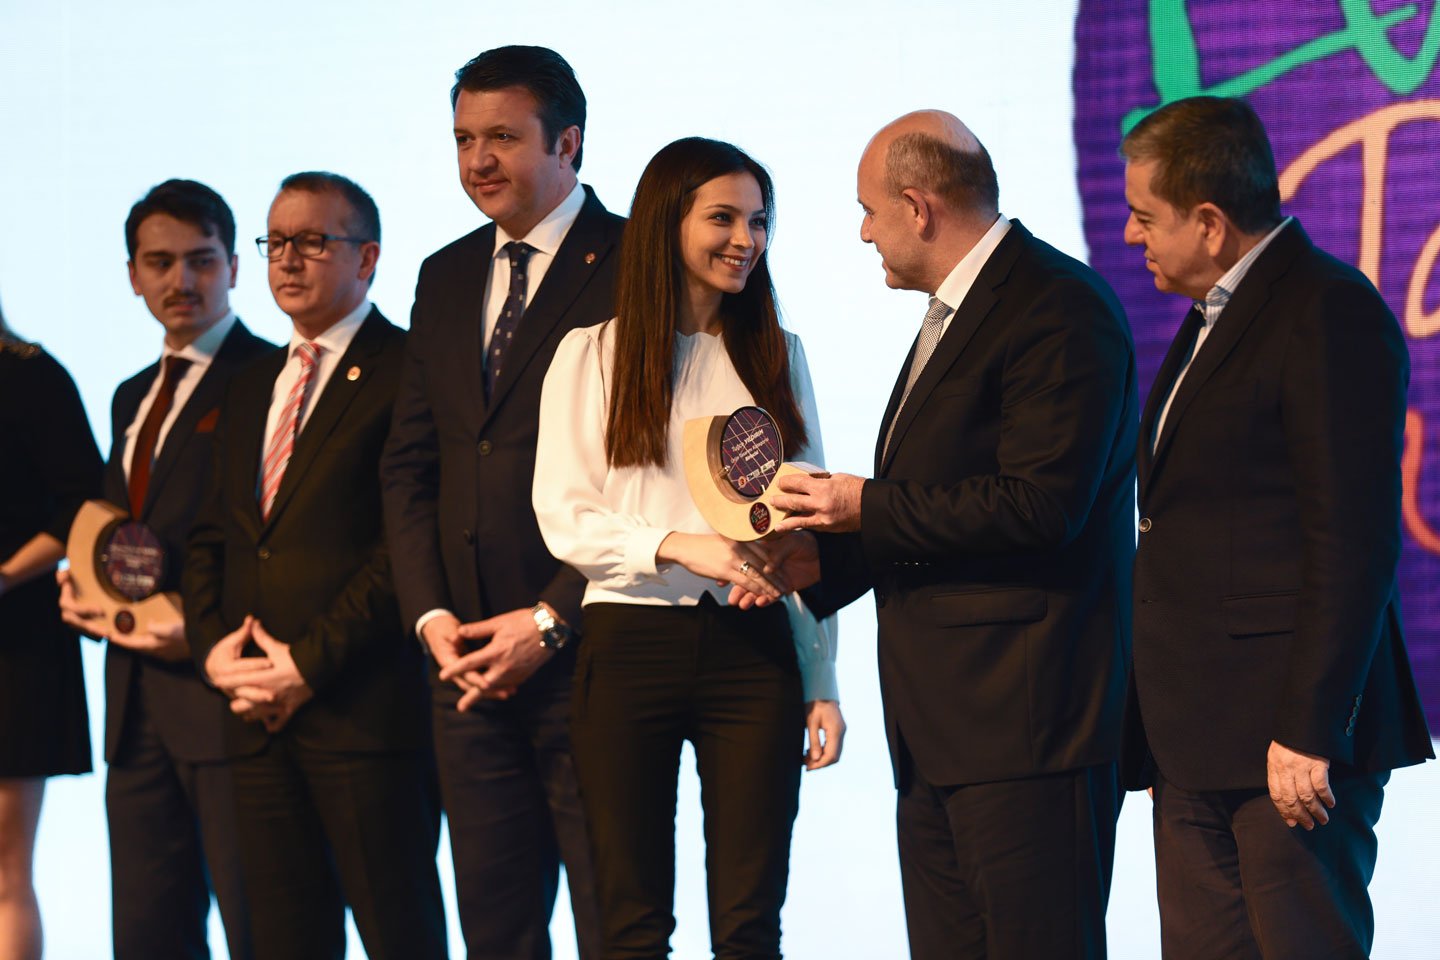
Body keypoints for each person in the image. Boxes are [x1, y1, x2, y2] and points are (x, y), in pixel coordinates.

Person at [740, 111, 1137, 959]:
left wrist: (862, 506)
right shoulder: (957, 312)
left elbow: (1039, 507)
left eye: (869, 211)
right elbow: (945, 501)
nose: (863, 232)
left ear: (918, 208)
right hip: (942, 736)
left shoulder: (1057, 305)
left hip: (1028, 728)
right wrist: (818, 560)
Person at [1119, 95, 1433, 959]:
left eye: (1146, 216)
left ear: (1209, 223)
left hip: (1286, 746)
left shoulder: (1327, 309)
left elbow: (1354, 540)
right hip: (1197, 740)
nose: (1131, 234)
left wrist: (1308, 726)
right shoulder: (1209, 317)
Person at [531, 136, 844, 959]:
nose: (746, 239)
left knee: (751, 926)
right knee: (632, 926)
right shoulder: (591, 355)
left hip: (754, 649)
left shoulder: (779, 353)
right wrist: (680, 546)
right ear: (667, 222)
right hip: (628, 644)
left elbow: (805, 525)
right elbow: (564, 515)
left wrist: (820, 675)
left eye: (760, 221)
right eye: (723, 218)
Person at [380, 44, 621, 958]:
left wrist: (552, 620)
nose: (478, 160)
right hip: (466, 667)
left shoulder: (636, 260)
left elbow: (650, 476)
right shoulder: (444, 273)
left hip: (592, 651)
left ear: (568, 143)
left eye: (503, 138)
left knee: (616, 925)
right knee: (495, 929)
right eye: (462, 139)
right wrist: (431, 618)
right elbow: (412, 465)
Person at [183, 172, 445, 960]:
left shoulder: (411, 368)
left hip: (365, 716)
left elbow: (405, 545)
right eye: (276, 243)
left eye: (312, 242)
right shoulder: (249, 381)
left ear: (367, 258)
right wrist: (214, 652)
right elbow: (213, 537)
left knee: (400, 935)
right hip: (254, 721)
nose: (288, 260)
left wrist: (306, 665)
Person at [57, 178, 266, 960]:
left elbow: (270, 542)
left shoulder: (270, 377)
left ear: (233, 268)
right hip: (134, 706)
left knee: (260, 926)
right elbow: (123, 534)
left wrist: (203, 632)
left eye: (201, 260)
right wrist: (86, 585)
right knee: (146, 936)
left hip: (227, 700)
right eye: (160, 262)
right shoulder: (129, 396)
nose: (181, 280)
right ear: (133, 275)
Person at [0, 302, 103, 960]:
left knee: (3, 870)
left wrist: (6, 575)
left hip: (14, 645)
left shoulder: (31, 375)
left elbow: (86, 502)